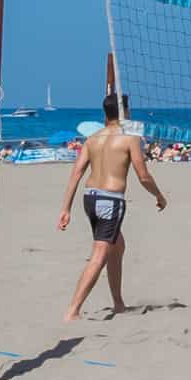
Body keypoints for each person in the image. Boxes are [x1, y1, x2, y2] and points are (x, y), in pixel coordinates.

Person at [56, 94, 167, 322]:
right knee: (100, 254)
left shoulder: (93, 138)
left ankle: (118, 303)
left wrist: (65, 208)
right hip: (110, 200)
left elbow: (76, 173)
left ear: (105, 113)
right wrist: (159, 196)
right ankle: (73, 310)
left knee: (117, 246)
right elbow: (143, 175)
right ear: (124, 111)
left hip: (90, 198)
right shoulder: (130, 138)